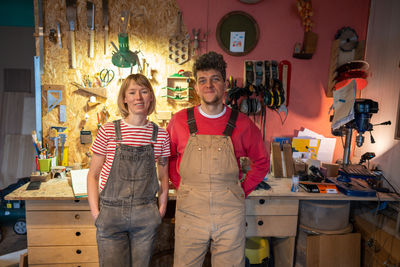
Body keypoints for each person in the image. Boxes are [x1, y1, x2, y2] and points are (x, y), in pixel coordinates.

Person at [167, 51, 270, 266]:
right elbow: (168, 158)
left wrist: (241, 190)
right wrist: (184, 186)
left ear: (225, 84)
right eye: (202, 80)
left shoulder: (243, 124)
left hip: (229, 213)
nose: (209, 85)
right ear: (195, 87)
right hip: (190, 211)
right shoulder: (178, 121)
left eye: (215, 79)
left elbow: (261, 162)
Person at [87, 74, 170, 267]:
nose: (138, 97)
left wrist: (161, 209)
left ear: (151, 96)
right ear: (124, 98)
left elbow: (164, 176)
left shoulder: (161, 135)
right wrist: (95, 213)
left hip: (145, 213)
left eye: (144, 91)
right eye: (132, 92)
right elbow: (93, 175)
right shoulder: (108, 131)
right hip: (111, 214)